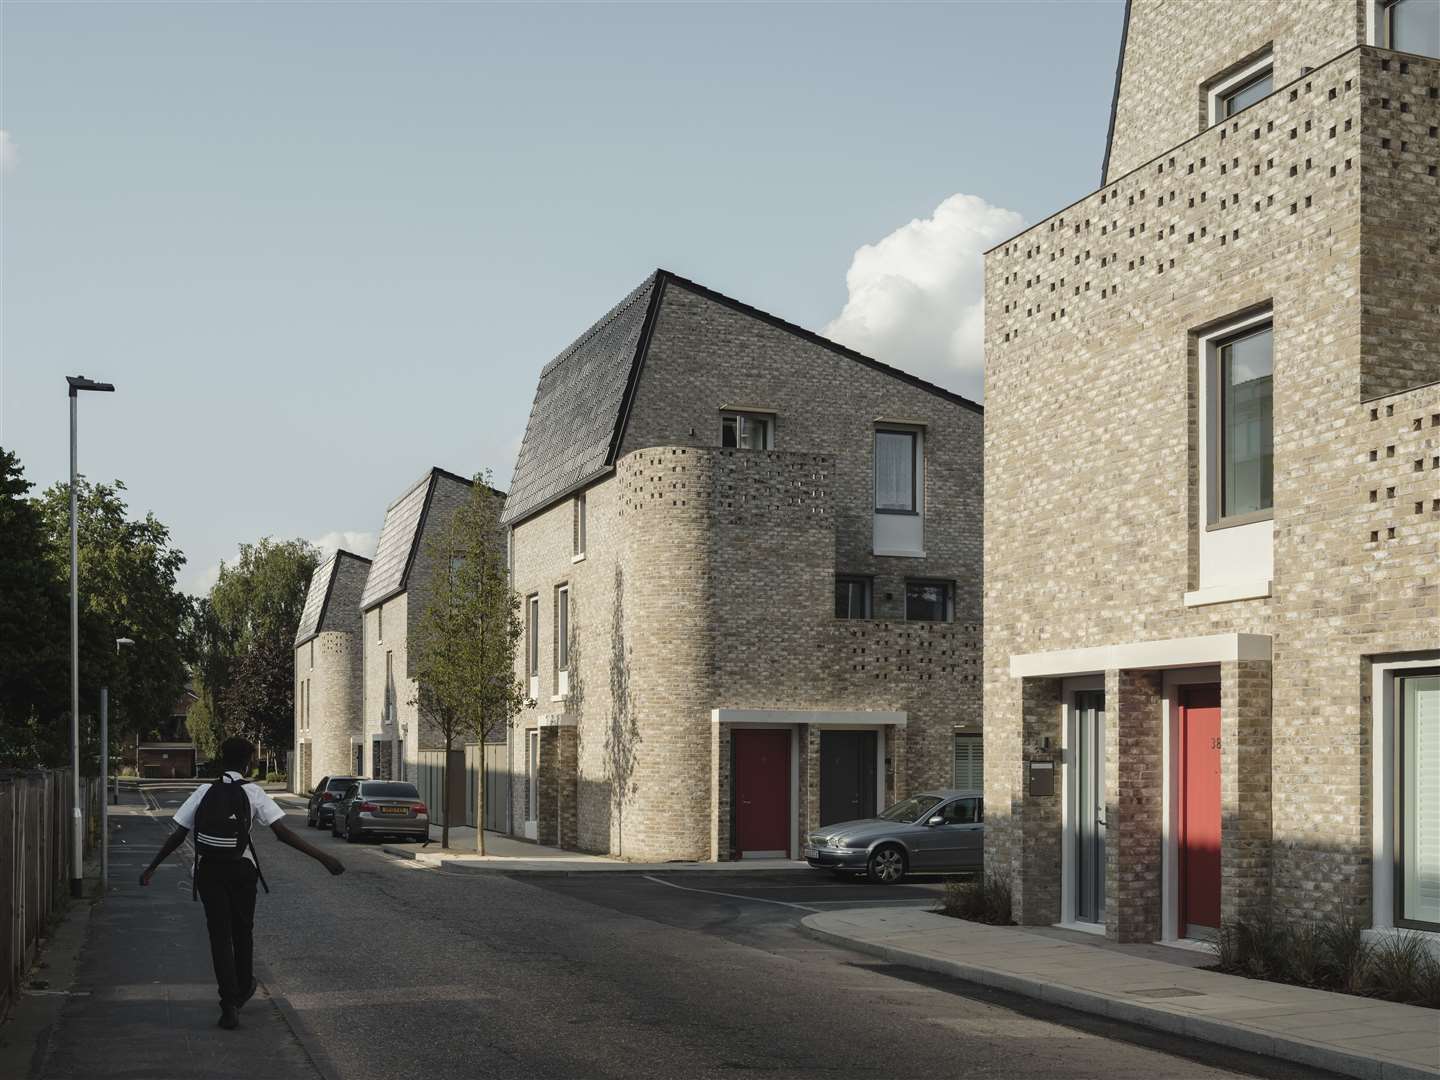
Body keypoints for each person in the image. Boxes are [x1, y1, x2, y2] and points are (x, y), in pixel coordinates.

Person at [140, 736, 344, 1030]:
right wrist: (323, 858)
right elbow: (282, 833)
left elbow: (178, 834)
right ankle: (243, 987)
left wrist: (152, 868)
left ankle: (228, 1004)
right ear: (248, 762)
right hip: (241, 870)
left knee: (219, 937)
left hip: (209, 870)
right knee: (242, 931)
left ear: (221, 759)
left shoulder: (203, 791)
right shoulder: (253, 792)